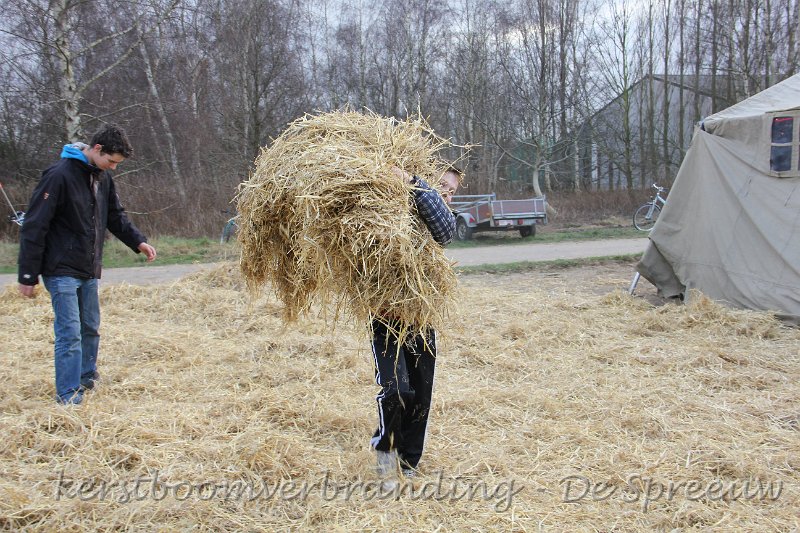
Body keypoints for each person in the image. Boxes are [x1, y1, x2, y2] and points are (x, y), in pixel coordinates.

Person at [17, 124, 157, 405]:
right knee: (69, 333)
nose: (113, 167)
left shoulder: (102, 178)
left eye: (117, 164)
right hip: (60, 270)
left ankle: (86, 378)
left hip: (89, 267)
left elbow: (115, 216)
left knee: (90, 327)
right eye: (111, 161)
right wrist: (28, 274)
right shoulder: (58, 176)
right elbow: (35, 225)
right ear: (96, 149)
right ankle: (68, 395)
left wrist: (138, 242)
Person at [371, 164, 461, 482]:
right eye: (444, 187)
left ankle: (409, 464)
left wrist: (414, 182)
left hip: (421, 318)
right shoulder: (395, 206)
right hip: (385, 319)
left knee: (421, 395)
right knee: (397, 390)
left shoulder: (437, 215)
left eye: (451, 191)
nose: (447, 195)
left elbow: (446, 231)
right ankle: (385, 448)